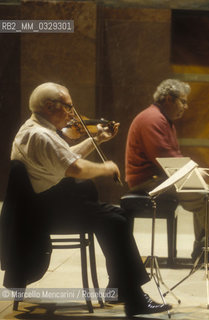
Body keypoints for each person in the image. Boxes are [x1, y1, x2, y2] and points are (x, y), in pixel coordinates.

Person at [9, 82, 171, 317]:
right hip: (48, 212)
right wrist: (106, 168)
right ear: (49, 106)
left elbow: (65, 156)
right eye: (68, 107)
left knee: (119, 215)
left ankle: (120, 288)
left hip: (48, 206)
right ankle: (134, 300)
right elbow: (75, 168)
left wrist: (98, 139)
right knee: (117, 222)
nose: (72, 114)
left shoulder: (33, 128)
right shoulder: (41, 135)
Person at [125, 79, 209, 260]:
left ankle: (204, 248)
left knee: (203, 192)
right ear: (168, 99)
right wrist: (193, 171)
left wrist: (192, 172)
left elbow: (170, 158)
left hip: (157, 178)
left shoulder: (161, 118)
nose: (186, 106)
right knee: (206, 196)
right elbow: (165, 159)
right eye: (183, 101)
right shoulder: (153, 119)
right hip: (147, 182)